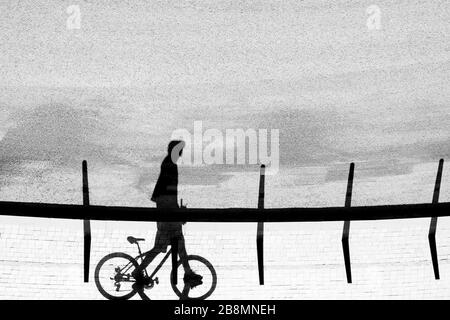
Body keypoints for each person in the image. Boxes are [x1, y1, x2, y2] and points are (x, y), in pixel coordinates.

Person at [132, 140, 203, 291]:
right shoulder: (171, 166)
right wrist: (179, 213)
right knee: (164, 247)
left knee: (178, 246)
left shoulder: (168, 163)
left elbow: (166, 194)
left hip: (166, 215)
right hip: (168, 217)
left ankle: (188, 272)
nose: (182, 153)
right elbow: (168, 195)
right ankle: (139, 271)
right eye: (180, 150)